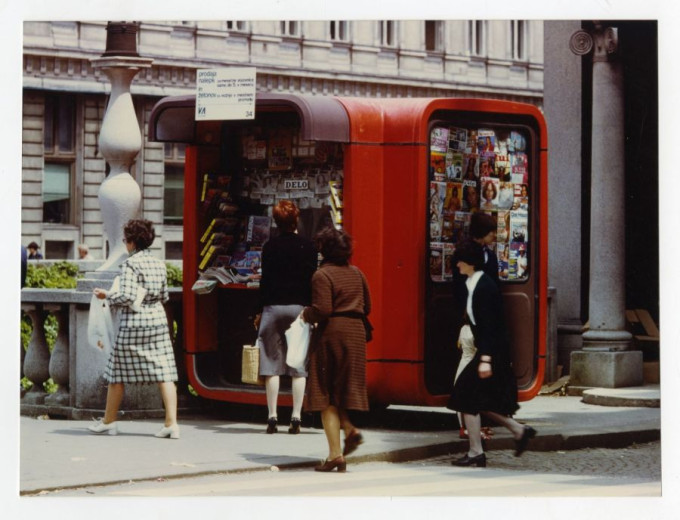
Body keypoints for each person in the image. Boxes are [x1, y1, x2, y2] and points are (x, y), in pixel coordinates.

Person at [447, 240, 536, 467]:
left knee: (464, 393)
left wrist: (485, 359)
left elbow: (490, 326)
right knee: (478, 399)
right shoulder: (471, 282)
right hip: (489, 347)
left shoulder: (484, 287)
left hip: (492, 350)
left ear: (468, 263)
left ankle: (477, 451)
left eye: (459, 261)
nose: (456, 265)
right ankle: (518, 430)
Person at [89, 219, 180, 439]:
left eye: (125, 239)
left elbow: (127, 296)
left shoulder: (130, 264)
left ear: (131, 242)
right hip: (157, 319)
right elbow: (165, 296)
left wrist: (107, 295)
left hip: (135, 323)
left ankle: (109, 421)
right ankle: (171, 424)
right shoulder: (159, 263)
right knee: (165, 372)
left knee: (117, 372)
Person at [301, 227, 371, 472]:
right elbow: (368, 306)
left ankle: (334, 455)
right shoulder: (357, 273)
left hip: (332, 334)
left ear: (324, 250)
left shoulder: (322, 275)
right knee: (338, 390)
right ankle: (350, 429)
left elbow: (322, 309)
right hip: (356, 334)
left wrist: (305, 314)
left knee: (324, 394)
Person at [257, 200, 317, 434]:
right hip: (299, 309)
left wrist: (258, 309)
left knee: (271, 363)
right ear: (296, 220)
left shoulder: (269, 247)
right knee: (298, 364)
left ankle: (272, 417)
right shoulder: (308, 246)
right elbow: (312, 281)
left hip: (273, 308)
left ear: (276, 222)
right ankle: (296, 417)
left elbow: (264, 282)